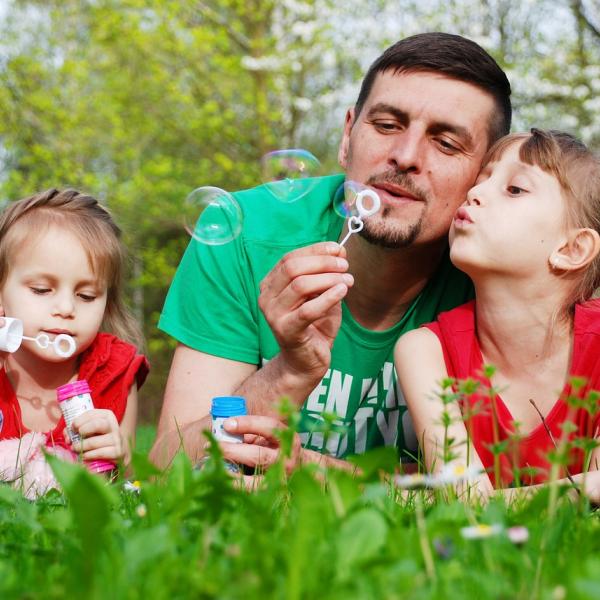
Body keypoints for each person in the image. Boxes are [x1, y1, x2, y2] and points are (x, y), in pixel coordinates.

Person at [151, 32, 512, 470]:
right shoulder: (240, 232)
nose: (405, 156)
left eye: (446, 143)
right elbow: (166, 466)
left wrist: (320, 476)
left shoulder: (500, 272)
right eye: (386, 125)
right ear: (347, 135)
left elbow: (501, 486)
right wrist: (289, 371)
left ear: (484, 176)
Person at [395, 129, 600, 500]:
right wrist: (583, 489)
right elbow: (465, 502)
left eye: (515, 189)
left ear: (572, 248)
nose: (474, 193)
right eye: (482, 179)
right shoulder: (424, 351)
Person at [0, 189, 149, 496]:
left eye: (86, 296)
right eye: (42, 290)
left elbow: (129, 487)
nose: (66, 308)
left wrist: (121, 456)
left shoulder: (115, 373)